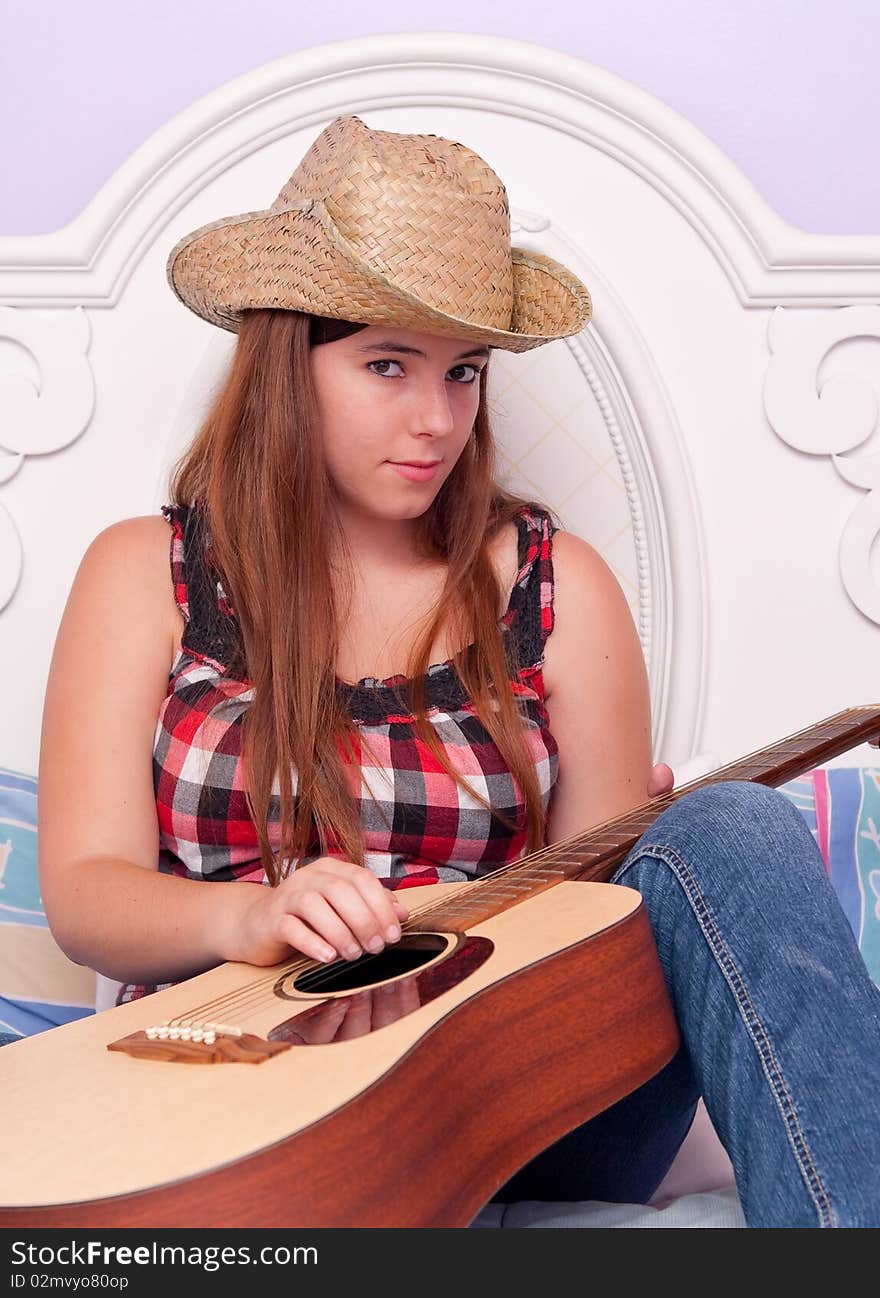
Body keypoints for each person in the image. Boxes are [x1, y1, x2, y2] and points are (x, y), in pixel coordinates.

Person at [36, 115, 880, 1227]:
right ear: (291, 360)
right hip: (245, 1086)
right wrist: (249, 918)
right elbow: (86, 891)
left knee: (731, 826)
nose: (436, 420)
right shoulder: (146, 572)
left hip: (509, 1089)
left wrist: (641, 869)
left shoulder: (558, 587)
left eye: (464, 373)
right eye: (388, 364)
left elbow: (593, 950)